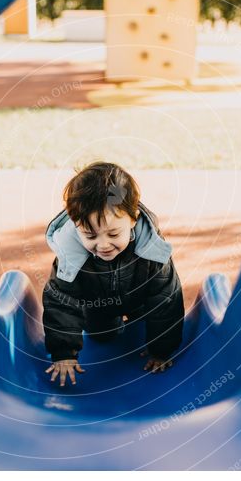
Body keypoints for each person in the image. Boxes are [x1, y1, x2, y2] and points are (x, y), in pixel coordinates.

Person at [42, 162, 185, 386]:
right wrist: (64, 353)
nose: (103, 244)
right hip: (97, 306)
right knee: (102, 337)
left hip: (141, 299)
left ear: (133, 218)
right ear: (75, 225)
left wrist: (161, 350)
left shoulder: (151, 251)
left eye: (113, 233)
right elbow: (62, 303)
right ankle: (109, 326)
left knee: (140, 329)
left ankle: (140, 328)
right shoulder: (71, 258)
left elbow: (166, 299)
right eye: (90, 236)